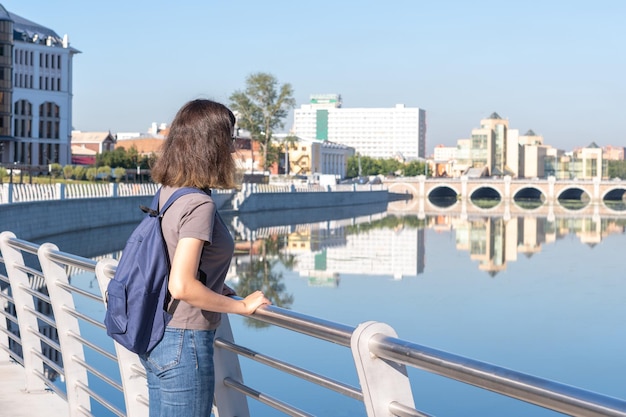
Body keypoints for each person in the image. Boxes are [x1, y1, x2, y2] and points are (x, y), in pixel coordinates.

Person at [143, 99, 270, 416]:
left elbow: (171, 255)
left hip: (157, 333)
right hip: (185, 341)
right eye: (229, 139)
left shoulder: (170, 191)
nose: (232, 150)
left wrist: (213, 284)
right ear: (211, 145)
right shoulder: (199, 204)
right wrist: (241, 306)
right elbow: (182, 286)